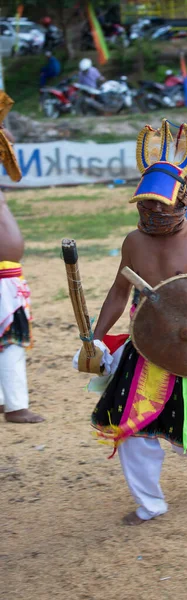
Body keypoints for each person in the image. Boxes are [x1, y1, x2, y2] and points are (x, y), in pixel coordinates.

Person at [73, 120, 187, 525]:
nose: (150, 210)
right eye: (144, 203)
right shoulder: (133, 242)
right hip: (145, 344)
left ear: (181, 199)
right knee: (132, 426)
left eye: (159, 203)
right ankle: (150, 504)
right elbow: (119, 293)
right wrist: (94, 338)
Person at [0, 95, 44, 424]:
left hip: (8, 275)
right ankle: (16, 406)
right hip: (3, 278)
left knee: (6, 339)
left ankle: (5, 400)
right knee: (11, 340)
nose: (8, 136)